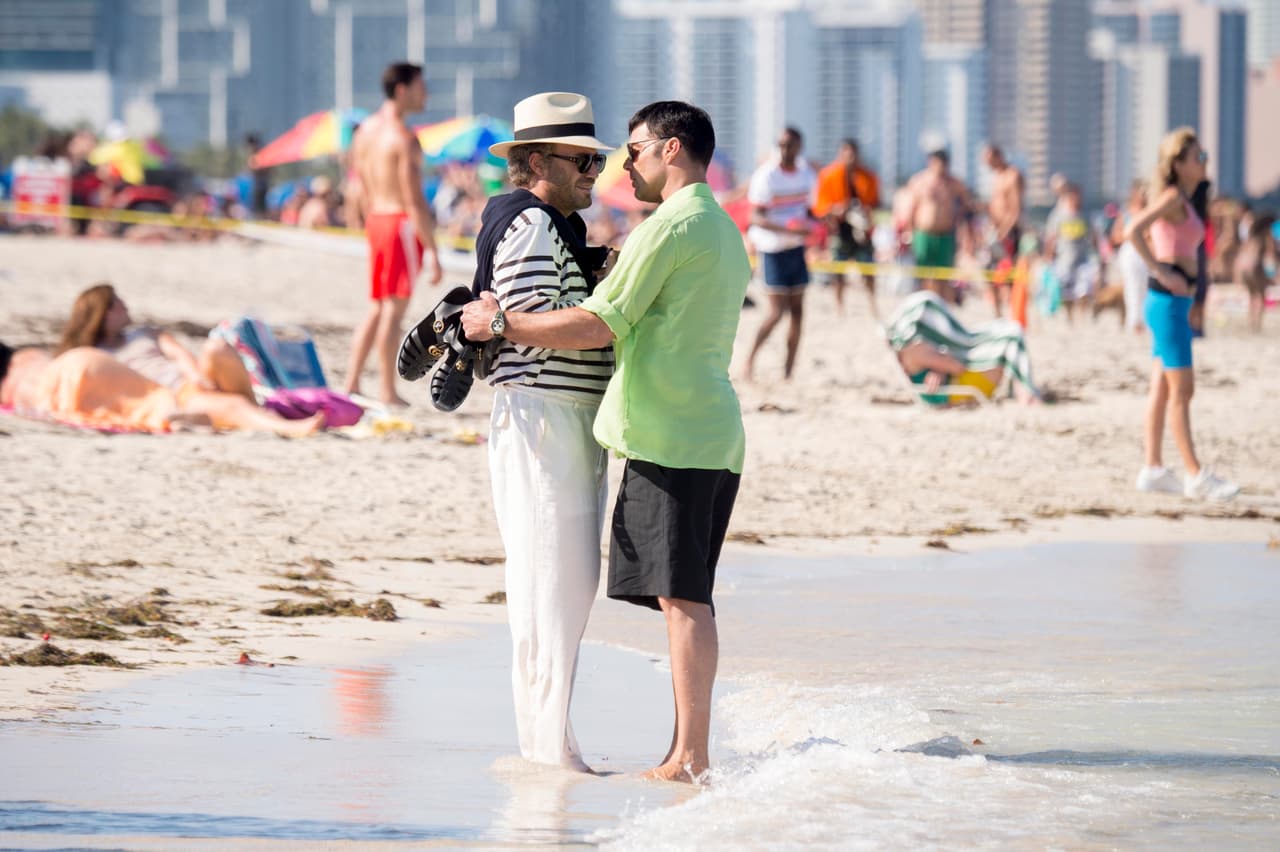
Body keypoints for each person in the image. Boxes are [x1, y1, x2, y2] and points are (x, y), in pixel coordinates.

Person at [461, 100, 751, 783]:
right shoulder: (720, 227)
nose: (620, 166)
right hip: (706, 428)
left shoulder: (669, 228)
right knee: (679, 596)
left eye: (630, 151)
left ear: (672, 149)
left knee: (674, 599)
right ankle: (677, 752)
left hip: (670, 432)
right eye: (590, 157)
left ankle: (688, 758)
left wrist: (501, 323)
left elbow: (598, 325)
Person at [461, 91, 615, 772]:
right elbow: (530, 328)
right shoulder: (530, 227)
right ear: (534, 161)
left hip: (561, 419)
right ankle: (549, 749)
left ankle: (551, 741)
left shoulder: (553, 228)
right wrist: (606, 308)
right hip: (544, 417)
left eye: (597, 158)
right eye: (580, 158)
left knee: (559, 586)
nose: (594, 170)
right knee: (553, 586)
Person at [1125, 127, 1239, 502]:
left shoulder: (1187, 201)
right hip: (1167, 302)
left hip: (1174, 303)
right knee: (1182, 390)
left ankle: (1153, 468)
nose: (1204, 162)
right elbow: (1132, 230)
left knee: (1160, 388)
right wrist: (1160, 271)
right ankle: (1195, 475)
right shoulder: (1173, 197)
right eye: (1198, 157)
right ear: (1177, 164)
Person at [57, 283, 324, 437]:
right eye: (117, 303)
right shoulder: (94, 357)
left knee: (215, 348)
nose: (125, 305)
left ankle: (250, 409)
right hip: (169, 396)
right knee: (230, 405)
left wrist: (197, 376)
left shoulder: (145, 333)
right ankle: (287, 428)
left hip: (192, 382)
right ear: (102, 314)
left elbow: (179, 354)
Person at [343, 62, 444, 406]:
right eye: (421, 86)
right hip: (400, 222)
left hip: (376, 219)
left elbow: (358, 186)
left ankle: (353, 382)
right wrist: (433, 251)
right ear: (402, 90)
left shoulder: (363, 132)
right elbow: (415, 199)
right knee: (394, 312)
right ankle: (387, 391)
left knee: (377, 306)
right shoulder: (404, 138)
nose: (426, 93)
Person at [743, 127, 817, 381]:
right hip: (772, 248)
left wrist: (817, 225)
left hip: (796, 248)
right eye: (782, 144)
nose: (786, 149)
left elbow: (810, 211)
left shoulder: (806, 175)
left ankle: (788, 371)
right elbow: (755, 217)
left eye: (791, 144)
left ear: (799, 146)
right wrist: (788, 227)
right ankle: (750, 360)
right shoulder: (767, 176)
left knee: (798, 311)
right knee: (775, 312)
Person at [886, 291, 1040, 406]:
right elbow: (957, 366)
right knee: (1009, 338)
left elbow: (942, 364)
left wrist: (938, 368)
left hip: (955, 388)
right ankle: (1026, 394)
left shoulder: (910, 349)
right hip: (960, 390)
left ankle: (1024, 392)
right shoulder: (915, 349)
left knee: (1007, 336)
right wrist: (941, 365)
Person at [811, 138, 881, 317]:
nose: (850, 157)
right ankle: (839, 306)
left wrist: (864, 213)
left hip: (861, 230)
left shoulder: (868, 177)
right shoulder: (829, 176)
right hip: (839, 229)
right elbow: (820, 208)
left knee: (867, 270)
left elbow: (874, 202)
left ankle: (872, 305)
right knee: (838, 272)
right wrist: (836, 210)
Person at [903, 149, 971, 305]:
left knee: (944, 276)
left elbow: (967, 206)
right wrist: (908, 232)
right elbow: (911, 209)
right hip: (923, 234)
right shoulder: (919, 182)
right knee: (922, 275)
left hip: (945, 235)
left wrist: (963, 228)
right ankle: (923, 306)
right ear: (931, 163)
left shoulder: (954, 184)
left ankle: (941, 307)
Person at [1044, 183, 1097, 322]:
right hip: (1064, 258)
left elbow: (1093, 235)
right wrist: (1049, 255)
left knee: (1085, 289)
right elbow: (1051, 237)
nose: (1077, 199)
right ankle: (1069, 316)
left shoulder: (1085, 214)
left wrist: (1097, 253)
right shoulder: (1059, 215)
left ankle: (1081, 315)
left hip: (1082, 258)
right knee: (1066, 292)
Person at [982, 145, 1024, 317]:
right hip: (995, 231)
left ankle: (1012, 311)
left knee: (1009, 275)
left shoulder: (1012, 175)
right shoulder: (996, 177)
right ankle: (998, 313)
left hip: (1009, 232)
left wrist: (1005, 231)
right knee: (991, 272)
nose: (987, 164)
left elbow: (1015, 208)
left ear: (998, 156)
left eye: (989, 160)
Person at [1111, 180, 1150, 333]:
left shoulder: (1150, 211)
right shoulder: (1126, 213)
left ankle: (1144, 322)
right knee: (1132, 287)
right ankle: (1134, 322)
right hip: (1130, 252)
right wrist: (1132, 236)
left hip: (1146, 252)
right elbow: (1116, 236)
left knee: (1146, 287)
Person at [1236, 211, 1276, 333]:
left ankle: (1251, 322)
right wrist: (1274, 272)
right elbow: (1271, 253)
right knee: (1261, 295)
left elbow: (1240, 254)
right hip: (1255, 267)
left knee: (1252, 295)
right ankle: (1257, 325)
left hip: (1244, 267)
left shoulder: (1251, 236)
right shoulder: (1266, 235)